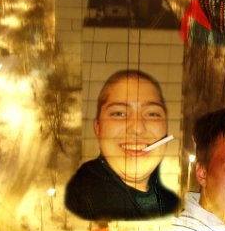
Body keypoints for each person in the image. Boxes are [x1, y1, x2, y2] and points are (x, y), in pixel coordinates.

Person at [65, 70, 179, 220]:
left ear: (166, 130)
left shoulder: (171, 202)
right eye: (119, 113)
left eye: (152, 114)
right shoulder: (83, 199)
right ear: (98, 128)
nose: (137, 128)